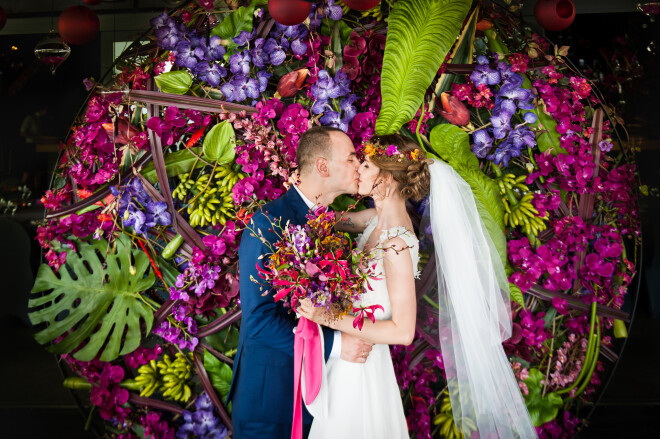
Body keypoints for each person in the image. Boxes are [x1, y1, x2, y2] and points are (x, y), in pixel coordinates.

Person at [299, 134, 537, 439]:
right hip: (347, 359)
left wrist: (326, 316)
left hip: (365, 365)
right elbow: (323, 220)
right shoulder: (372, 219)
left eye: (366, 165)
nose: (357, 168)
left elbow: (403, 331)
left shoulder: (397, 244)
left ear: (386, 177)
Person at [227, 126, 375, 439]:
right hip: (272, 399)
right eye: (351, 159)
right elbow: (259, 321)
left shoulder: (327, 223)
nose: (357, 164)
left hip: (317, 397)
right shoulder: (269, 222)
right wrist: (336, 346)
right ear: (323, 166)